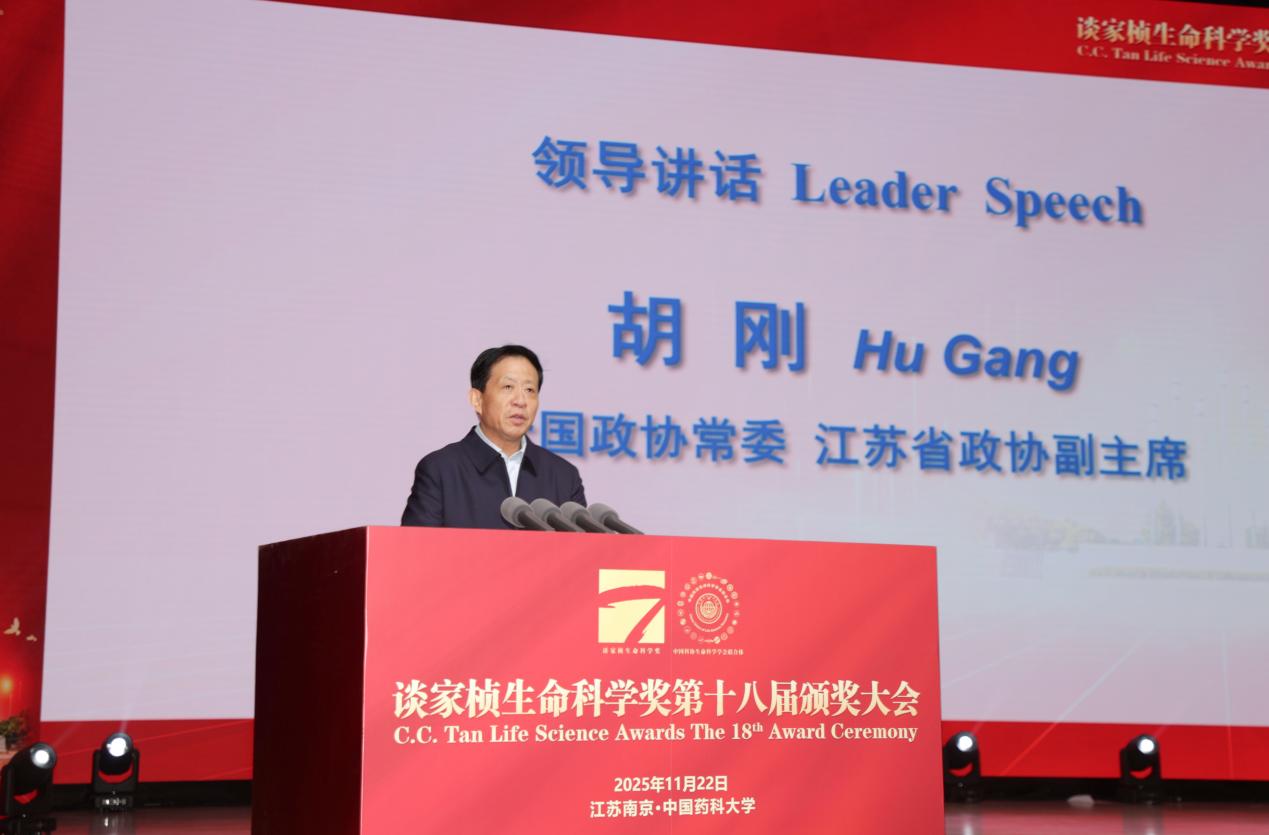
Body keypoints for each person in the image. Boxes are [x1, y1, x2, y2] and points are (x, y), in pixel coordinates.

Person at [401, 345, 586, 528]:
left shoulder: (563, 476)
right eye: (508, 387)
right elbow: (417, 545)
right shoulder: (441, 470)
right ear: (477, 399)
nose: (520, 401)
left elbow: (581, 546)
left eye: (530, 390)